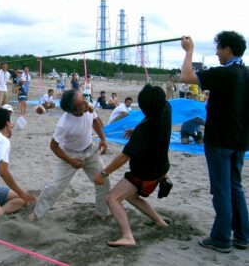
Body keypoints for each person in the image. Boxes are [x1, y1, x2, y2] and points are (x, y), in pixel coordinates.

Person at [180, 32, 249, 253]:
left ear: (228, 49)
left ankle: (221, 239)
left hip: (220, 140)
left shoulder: (224, 73)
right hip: (240, 141)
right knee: (235, 187)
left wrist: (189, 51)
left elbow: (186, 76)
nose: (217, 53)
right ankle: (243, 236)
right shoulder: (246, 73)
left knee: (221, 190)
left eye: (219, 48)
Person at [94, 84, 171, 247]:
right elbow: (153, 119)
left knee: (112, 198)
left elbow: (124, 157)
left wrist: (104, 173)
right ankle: (160, 222)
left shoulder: (145, 128)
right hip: (161, 168)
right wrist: (136, 130)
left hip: (144, 173)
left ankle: (127, 236)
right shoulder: (166, 109)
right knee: (130, 196)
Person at [28, 90, 110, 221]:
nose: (85, 102)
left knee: (103, 181)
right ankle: (36, 214)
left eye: (83, 98)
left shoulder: (87, 107)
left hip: (90, 150)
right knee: (55, 186)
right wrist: (70, 161)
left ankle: (102, 214)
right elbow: (53, 146)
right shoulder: (64, 124)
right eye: (81, 102)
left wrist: (103, 139)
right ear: (74, 110)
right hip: (70, 154)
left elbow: (95, 121)